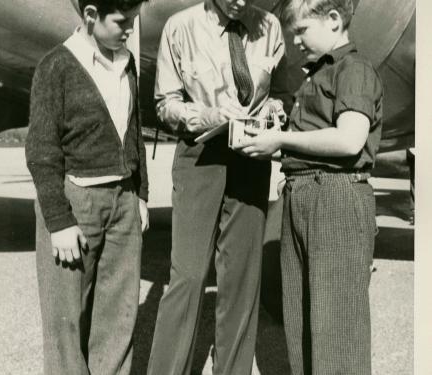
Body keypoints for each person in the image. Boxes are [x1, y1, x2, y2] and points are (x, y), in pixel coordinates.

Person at [237, 0, 383, 374]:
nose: (296, 41)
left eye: (302, 31)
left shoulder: (354, 69)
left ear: (333, 21)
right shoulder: (313, 75)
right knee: (301, 324)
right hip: (302, 193)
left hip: (334, 196)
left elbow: (350, 140)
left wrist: (283, 139)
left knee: (336, 331)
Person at [147, 1, 291, 374]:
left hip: (251, 158)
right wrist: (207, 114)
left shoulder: (270, 27)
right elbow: (165, 103)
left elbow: (284, 93)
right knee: (189, 277)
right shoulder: (179, 28)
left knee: (242, 281)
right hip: (200, 155)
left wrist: (275, 110)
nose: (242, 2)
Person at [25, 0, 148, 373]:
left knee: (118, 319)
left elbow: (133, 134)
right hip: (76, 201)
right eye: (122, 21)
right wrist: (58, 221)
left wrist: (140, 194)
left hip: (123, 201)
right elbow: (42, 151)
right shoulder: (56, 66)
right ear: (91, 15)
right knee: (66, 323)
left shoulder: (126, 62)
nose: (130, 28)